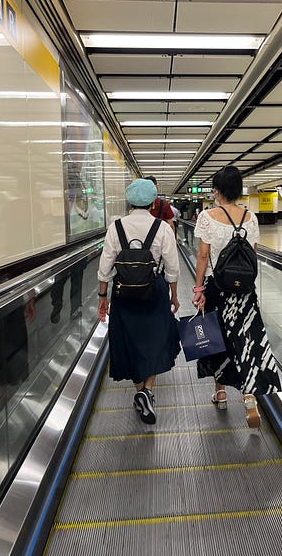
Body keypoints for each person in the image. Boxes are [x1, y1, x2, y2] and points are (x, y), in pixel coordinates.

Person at [192, 166, 281, 428]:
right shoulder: (250, 218)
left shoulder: (207, 217)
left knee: (215, 339)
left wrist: (198, 290)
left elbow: (202, 256)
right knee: (246, 339)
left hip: (216, 289)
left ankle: (220, 392)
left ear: (217, 191)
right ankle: (249, 396)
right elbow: (251, 255)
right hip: (243, 291)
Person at [97, 178, 181, 425]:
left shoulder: (116, 227)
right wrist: (174, 295)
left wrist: (103, 297)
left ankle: (139, 391)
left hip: (124, 293)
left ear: (129, 201)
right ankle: (148, 390)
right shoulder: (162, 228)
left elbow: (105, 268)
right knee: (154, 341)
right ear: (154, 202)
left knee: (129, 342)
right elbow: (173, 268)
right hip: (154, 292)